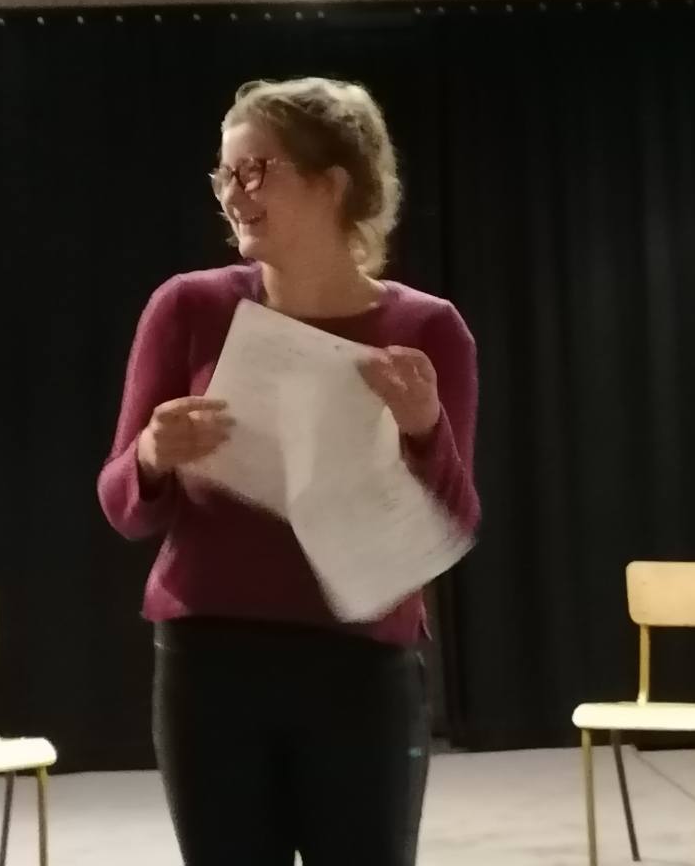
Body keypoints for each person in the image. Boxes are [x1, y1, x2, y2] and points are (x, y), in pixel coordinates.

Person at [97, 76, 480, 866]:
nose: (232, 195)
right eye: (224, 174)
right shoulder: (188, 307)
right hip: (209, 661)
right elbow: (123, 506)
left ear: (332, 183)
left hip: (362, 665)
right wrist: (152, 456)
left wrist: (423, 429)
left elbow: (454, 522)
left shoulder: (428, 328)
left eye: (254, 170)